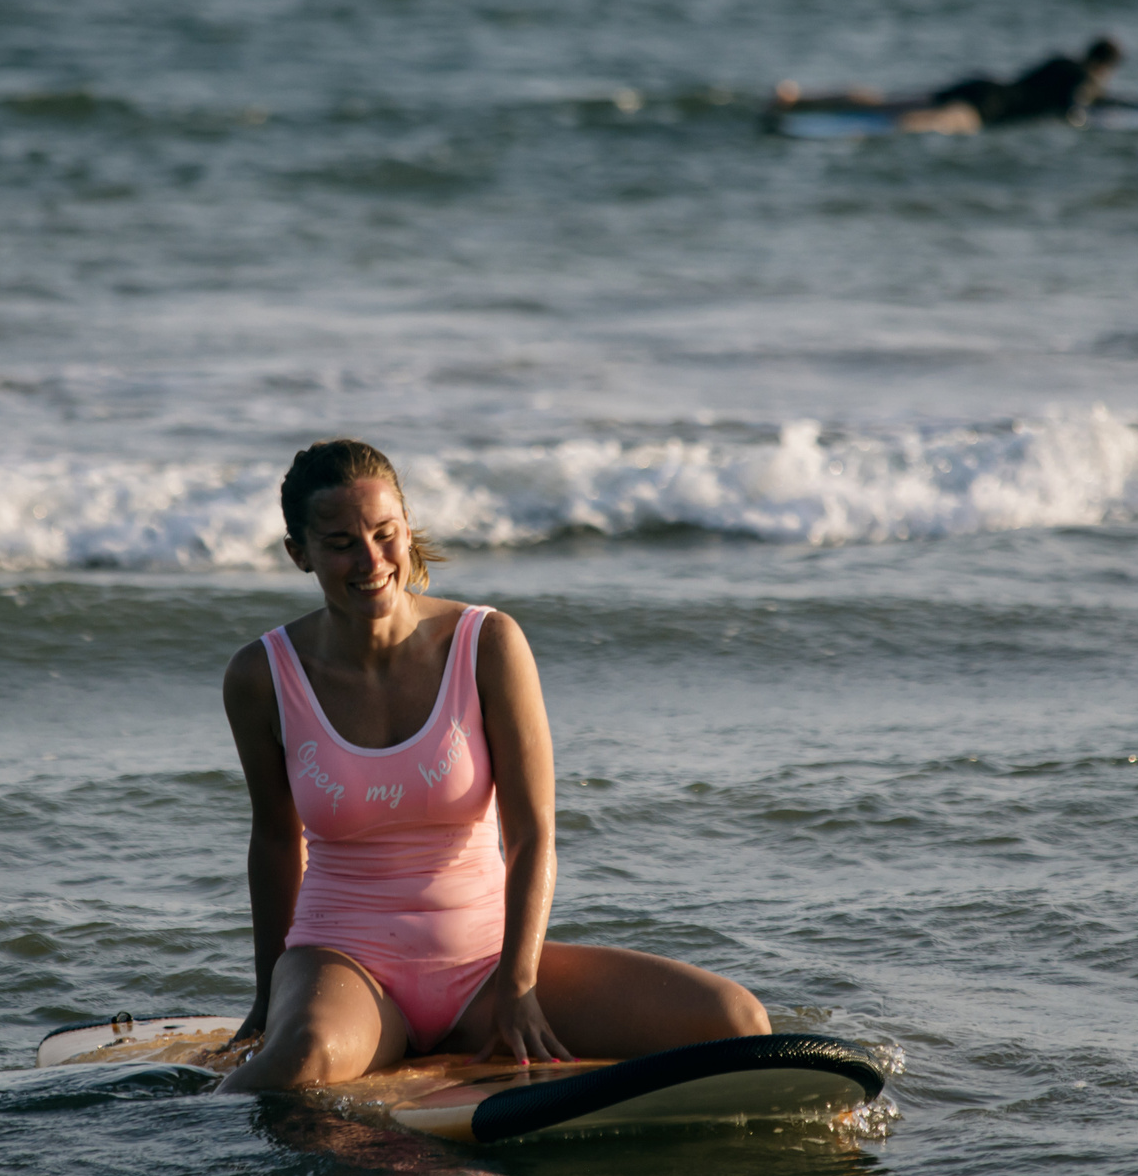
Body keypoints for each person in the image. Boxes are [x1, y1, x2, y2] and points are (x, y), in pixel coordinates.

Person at [217, 438, 767, 1093]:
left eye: (385, 533)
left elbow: (533, 835)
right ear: (299, 554)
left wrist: (519, 985)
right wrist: (267, 1001)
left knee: (738, 1022)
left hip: (483, 966)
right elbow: (276, 841)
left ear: (406, 529)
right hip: (345, 966)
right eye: (340, 542)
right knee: (297, 1066)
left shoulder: (486, 644)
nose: (370, 559)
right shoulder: (263, 675)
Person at [769, 36, 1124, 135]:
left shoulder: (1060, 60)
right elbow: (1076, 109)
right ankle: (880, 132)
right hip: (990, 107)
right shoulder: (1084, 78)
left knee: (884, 101)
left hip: (983, 84)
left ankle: (799, 98)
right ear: (1105, 66)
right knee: (939, 122)